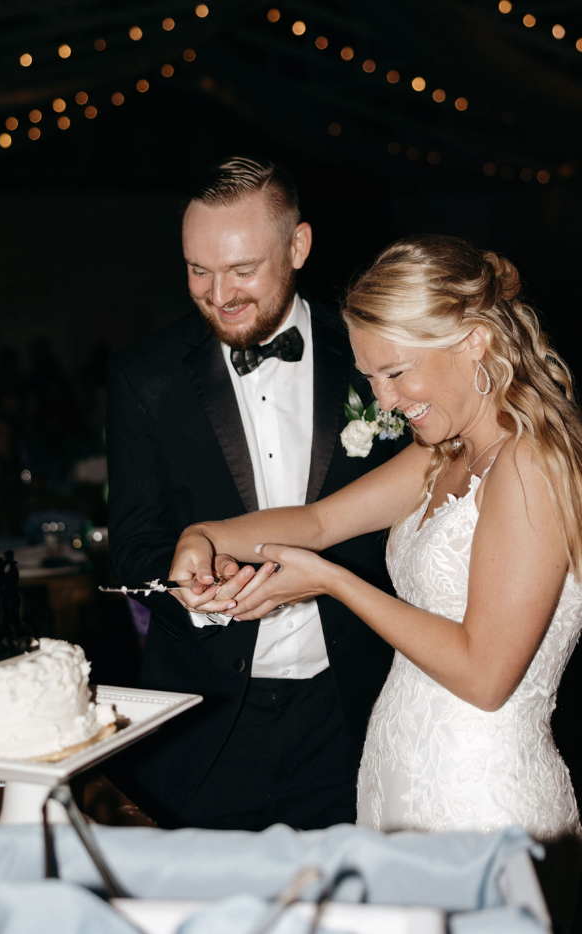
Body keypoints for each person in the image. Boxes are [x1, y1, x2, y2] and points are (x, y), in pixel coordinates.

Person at [170, 234, 582, 925]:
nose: (384, 402)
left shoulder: (531, 463)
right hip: (398, 781)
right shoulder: (446, 453)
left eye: (396, 373)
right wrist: (203, 537)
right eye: (371, 379)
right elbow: (319, 522)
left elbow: (485, 673)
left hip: (482, 806)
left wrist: (331, 585)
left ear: (475, 340)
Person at [105, 156, 402, 831]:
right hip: (203, 725)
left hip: (349, 712)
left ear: (297, 246)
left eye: (243, 270)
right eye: (198, 271)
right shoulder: (143, 377)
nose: (220, 295)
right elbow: (135, 540)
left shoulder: (369, 352)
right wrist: (189, 583)